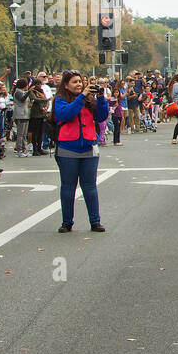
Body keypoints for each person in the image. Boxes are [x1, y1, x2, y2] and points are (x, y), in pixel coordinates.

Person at [53, 71, 108, 233]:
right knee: (68, 187)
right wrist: (81, 97)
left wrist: (101, 98)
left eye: (80, 82)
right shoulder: (60, 100)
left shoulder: (89, 99)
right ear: (65, 85)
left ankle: (95, 221)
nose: (79, 84)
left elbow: (101, 117)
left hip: (89, 147)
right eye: (74, 82)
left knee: (90, 186)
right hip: (67, 148)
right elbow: (66, 114)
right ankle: (67, 222)